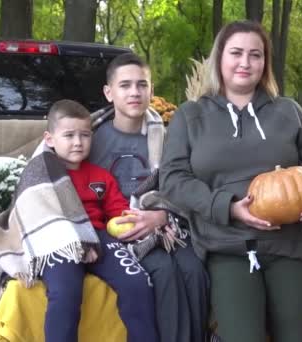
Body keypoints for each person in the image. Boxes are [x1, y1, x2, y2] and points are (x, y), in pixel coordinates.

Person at [159, 20, 302, 342]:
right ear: (219, 59)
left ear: (265, 63)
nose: (245, 62)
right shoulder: (190, 116)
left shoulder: (289, 112)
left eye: (255, 55)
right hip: (227, 246)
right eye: (236, 53)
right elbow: (173, 180)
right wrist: (228, 208)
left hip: (290, 246)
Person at [88, 53, 209, 342]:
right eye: (125, 85)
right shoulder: (89, 138)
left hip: (162, 226)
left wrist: (163, 215)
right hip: (113, 230)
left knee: (193, 269)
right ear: (109, 92)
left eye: (142, 85)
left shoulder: (168, 137)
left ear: (151, 91)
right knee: (163, 271)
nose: (134, 92)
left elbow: (184, 185)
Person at [41, 99, 159, 342]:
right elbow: (38, 214)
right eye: (69, 135)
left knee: (137, 282)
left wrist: (129, 221)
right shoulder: (40, 174)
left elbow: (117, 210)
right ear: (50, 139)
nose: (78, 142)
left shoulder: (100, 176)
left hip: (101, 236)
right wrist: (79, 242)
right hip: (58, 239)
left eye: (85, 135)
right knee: (65, 293)